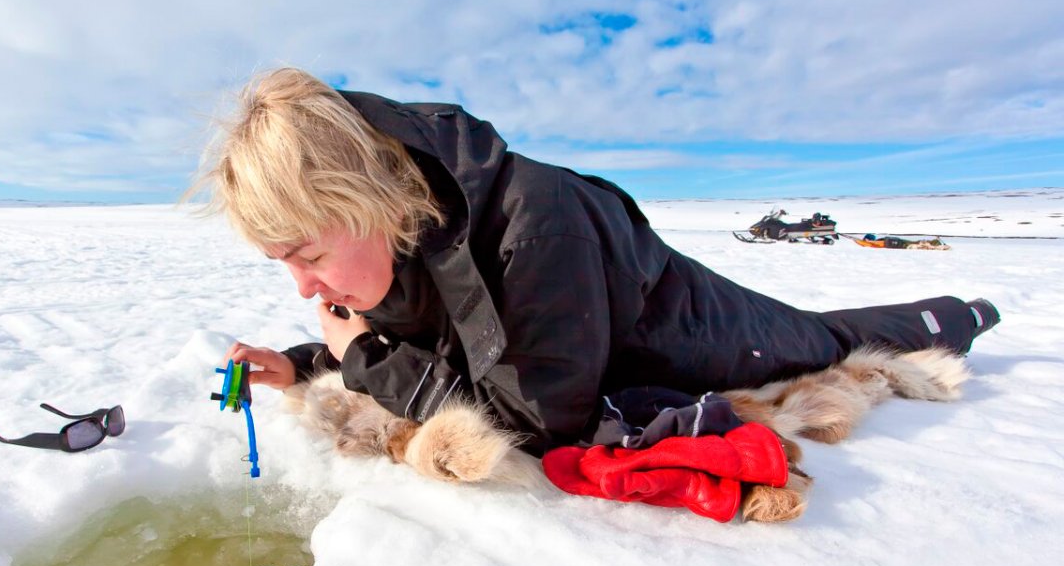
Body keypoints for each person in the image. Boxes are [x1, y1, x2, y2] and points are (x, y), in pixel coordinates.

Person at [193, 68, 999, 456]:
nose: (303, 285)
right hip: (614, 341)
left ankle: (962, 314)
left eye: (307, 254)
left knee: (828, 342)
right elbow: (445, 348)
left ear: (363, 200)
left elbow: (539, 422)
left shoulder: (537, 225)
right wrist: (300, 363)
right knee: (829, 331)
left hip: (713, 335)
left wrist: (361, 354)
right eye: (283, 264)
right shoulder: (404, 240)